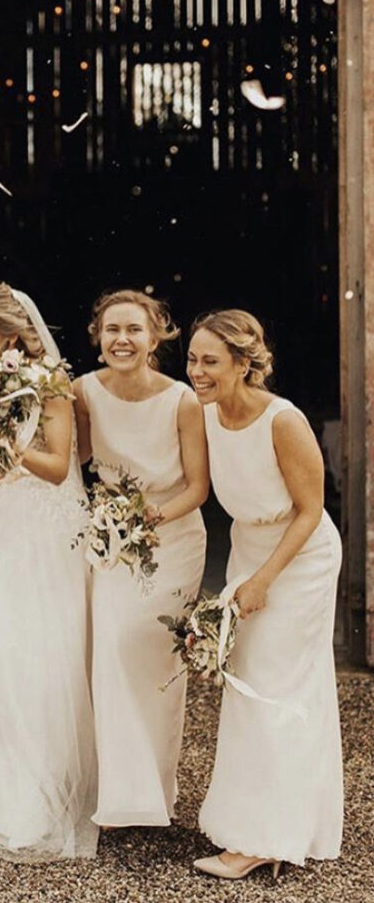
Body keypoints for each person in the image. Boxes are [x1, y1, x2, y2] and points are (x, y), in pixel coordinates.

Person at [187, 309, 343, 879]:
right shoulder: (204, 414)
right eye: (192, 359)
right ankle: (284, 822)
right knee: (249, 684)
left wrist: (263, 580)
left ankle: (264, 839)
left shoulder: (283, 420)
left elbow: (310, 510)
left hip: (299, 559)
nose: (197, 371)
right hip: (249, 549)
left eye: (210, 361)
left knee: (273, 685)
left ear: (243, 364)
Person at [0, 281, 98, 861]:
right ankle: (10, 786)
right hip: (8, 525)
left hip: (49, 531)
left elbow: (59, 464)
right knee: (3, 650)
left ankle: (46, 795)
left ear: (11, 338)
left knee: (44, 655)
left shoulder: (50, 385)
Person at [73, 290, 208, 830]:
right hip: (112, 541)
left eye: (133, 330)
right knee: (110, 650)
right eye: (112, 330)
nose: (122, 340)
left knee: (155, 661)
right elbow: (75, 457)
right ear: (98, 336)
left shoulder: (182, 401)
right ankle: (120, 793)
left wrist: (150, 518)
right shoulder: (84, 391)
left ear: (155, 338)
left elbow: (197, 487)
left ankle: (156, 790)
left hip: (173, 537)